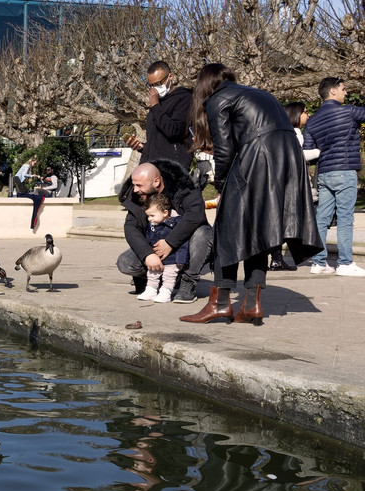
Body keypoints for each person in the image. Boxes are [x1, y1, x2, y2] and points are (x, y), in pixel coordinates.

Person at [181, 63, 322, 324]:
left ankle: (220, 303)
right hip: (288, 157)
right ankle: (252, 304)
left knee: (226, 225)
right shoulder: (260, 93)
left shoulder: (216, 100)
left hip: (259, 155)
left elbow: (224, 150)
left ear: (204, 86)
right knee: (259, 230)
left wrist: (222, 184)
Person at [117, 160, 212, 304]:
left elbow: (196, 216)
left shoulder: (184, 188)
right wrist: (147, 254)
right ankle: (154, 280)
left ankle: (188, 282)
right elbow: (131, 227)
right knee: (125, 262)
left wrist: (170, 243)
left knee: (203, 232)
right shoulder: (139, 196)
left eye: (139, 185)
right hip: (156, 245)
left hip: (184, 246)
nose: (135, 190)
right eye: (134, 184)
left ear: (156, 181)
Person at [302, 77, 365, 276]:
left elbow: (308, 152)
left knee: (322, 218)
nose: (346, 93)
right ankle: (345, 263)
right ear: (333, 91)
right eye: (343, 89)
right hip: (345, 170)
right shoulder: (348, 112)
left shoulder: (312, 121)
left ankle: (319, 262)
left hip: (325, 172)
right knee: (345, 218)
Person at [269, 102, 320, 270]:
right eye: (305, 112)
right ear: (296, 114)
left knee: (282, 220)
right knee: (291, 221)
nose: (308, 115)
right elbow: (299, 155)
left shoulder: (280, 133)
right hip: (292, 183)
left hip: (280, 182)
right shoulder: (295, 133)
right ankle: (276, 257)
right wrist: (321, 151)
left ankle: (276, 257)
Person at [124, 60, 194, 171]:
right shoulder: (157, 104)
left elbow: (174, 132)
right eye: (151, 85)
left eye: (159, 83)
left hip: (172, 168)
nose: (155, 88)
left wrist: (155, 105)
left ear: (170, 77)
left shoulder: (184, 99)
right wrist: (142, 147)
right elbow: (159, 141)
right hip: (150, 166)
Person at [136, 194, 189, 303]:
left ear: (165, 213)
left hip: (172, 259)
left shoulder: (176, 224)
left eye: (152, 215)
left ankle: (166, 292)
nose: (150, 219)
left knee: (169, 276)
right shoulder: (153, 225)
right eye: (148, 216)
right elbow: (148, 240)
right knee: (152, 273)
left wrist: (181, 260)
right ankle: (151, 289)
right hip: (157, 257)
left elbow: (183, 243)